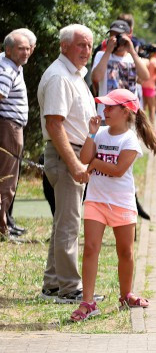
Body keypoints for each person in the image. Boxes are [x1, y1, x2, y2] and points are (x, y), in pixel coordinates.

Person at [69, 89, 156, 321]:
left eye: (111, 107)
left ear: (126, 111)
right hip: (96, 201)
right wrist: (91, 136)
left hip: (121, 203)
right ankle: (88, 302)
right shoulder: (99, 133)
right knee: (90, 248)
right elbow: (83, 158)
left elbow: (119, 169)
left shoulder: (129, 139)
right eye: (105, 106)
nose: (105, 111)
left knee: (126, 252)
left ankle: (126, 295)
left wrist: (94, 164)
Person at [37, 24, 97, 304]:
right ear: (64, 46)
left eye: (89, 45)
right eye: (80, 45)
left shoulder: (73, 74)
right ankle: (70, 289)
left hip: (72, 153)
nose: (86, 50)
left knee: (64, 221)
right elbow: (54, 124)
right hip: (65, 156)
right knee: (69, 225)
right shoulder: (61, 77)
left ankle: (53, 284)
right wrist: (73, 163)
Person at [0, 28, 35, 241]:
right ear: (8, 49)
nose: (26, 52)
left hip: (10, 127)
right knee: (7, 179)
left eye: (28, 49)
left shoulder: (11, 64)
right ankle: (3, 228)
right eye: (21, 49)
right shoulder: (7, 69)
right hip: (9, 128)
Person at [91, 19, 150, 117]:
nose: (117, 40)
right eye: (113, 36)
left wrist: (132, 51)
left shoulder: (133, 58)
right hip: (106, 115)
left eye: (119, 37)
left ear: (129, 37)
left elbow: (145, 77)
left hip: (129, 116)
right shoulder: (101, 55)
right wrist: (108, 51)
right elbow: (96, 78)